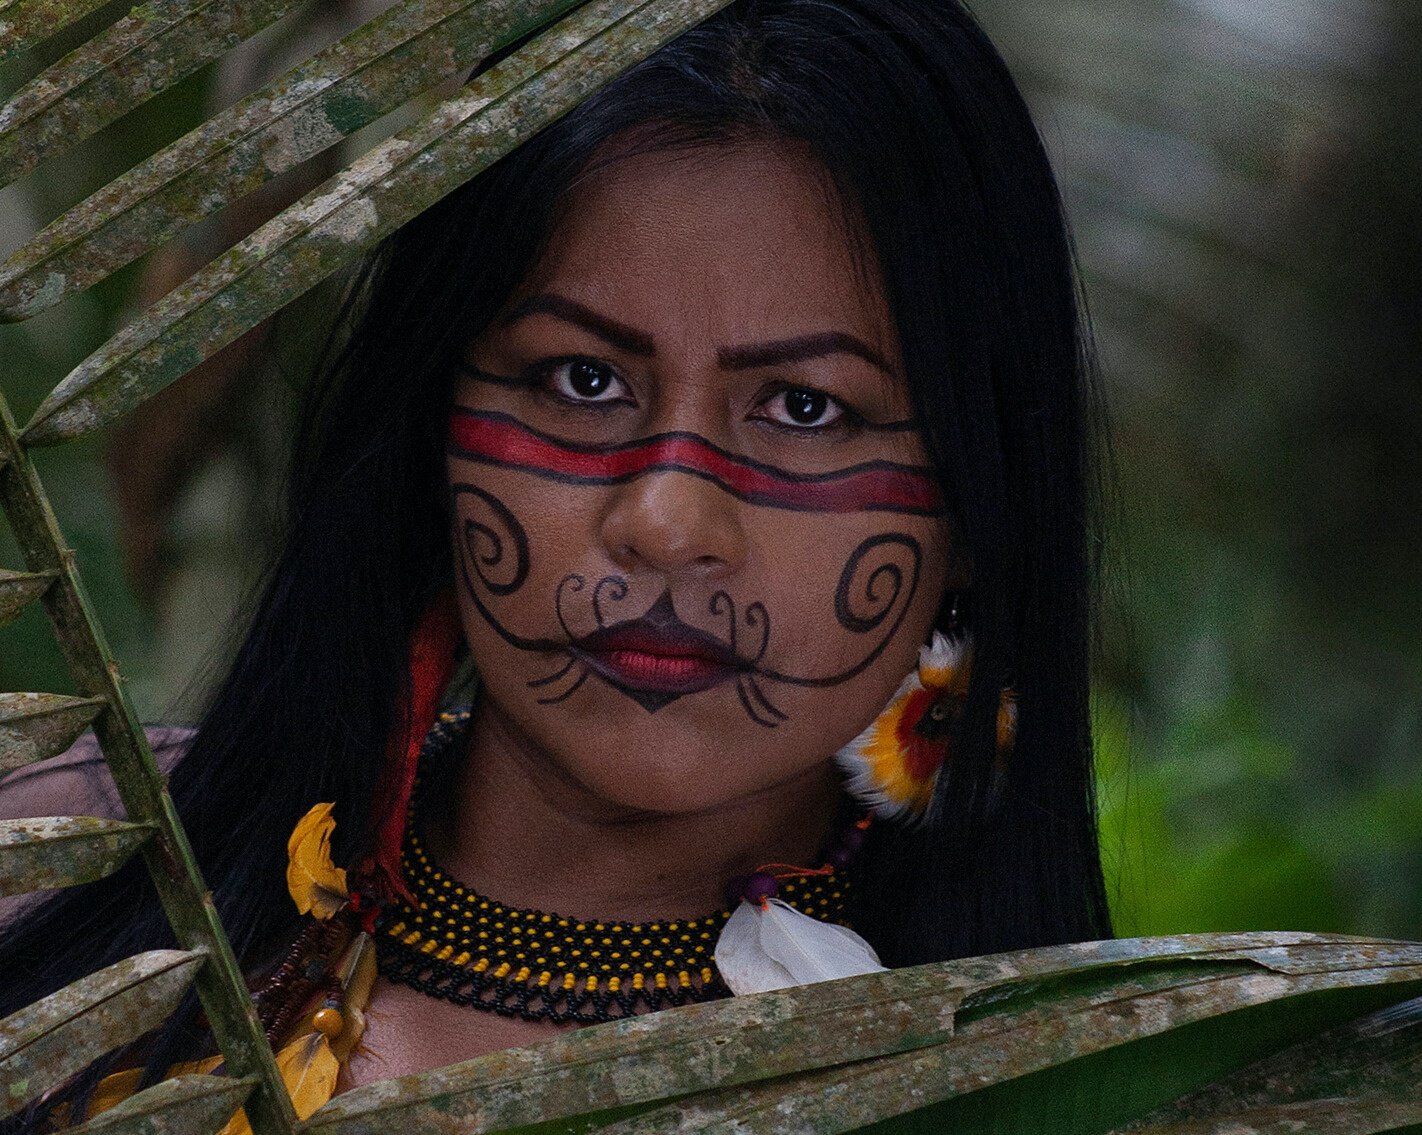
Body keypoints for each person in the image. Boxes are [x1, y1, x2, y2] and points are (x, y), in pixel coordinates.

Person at [0, 0, 1111, 1124]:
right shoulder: (54, 865)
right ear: (431, 419)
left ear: (978, 500)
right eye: (582, 380)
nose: (669, 522)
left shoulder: (1007, 1092)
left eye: (804, 406)